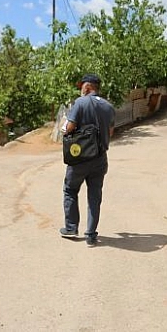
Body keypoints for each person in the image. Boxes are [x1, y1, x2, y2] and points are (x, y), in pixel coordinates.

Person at [60, 73, 115, 247]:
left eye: (82, 86)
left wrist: (66, 128)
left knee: (70, 190)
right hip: (100, 158)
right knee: (94, 196)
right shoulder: (108, 106)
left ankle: (71, 228)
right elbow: (111, 132)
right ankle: (91, 235)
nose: (81, 89)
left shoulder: (81, 103)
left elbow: (69, 128)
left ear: (88, 86)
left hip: (80, 158)